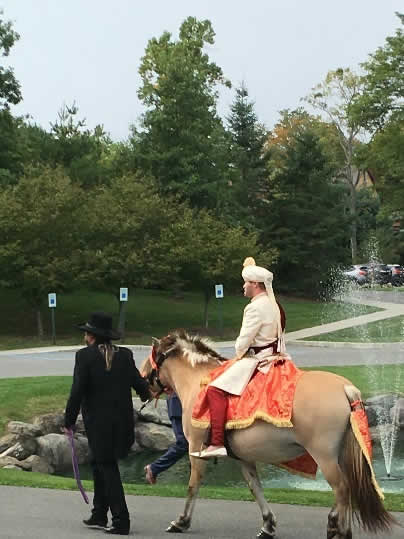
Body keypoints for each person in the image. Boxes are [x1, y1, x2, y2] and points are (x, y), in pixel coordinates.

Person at [64, 312, 151, 535]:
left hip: (99, 424)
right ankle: (99, 514)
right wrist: (145, 392)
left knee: (107, 467)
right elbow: (140, 385)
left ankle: (121, 520)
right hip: (122, 423)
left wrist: (69, 421)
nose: (84, 336)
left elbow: (77, 391)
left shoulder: (84, 357)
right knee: (98, 463)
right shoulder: (125, 355)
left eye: (86, 332)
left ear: (91, 335)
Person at [190, 257, 285, 459]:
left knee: (215, 390)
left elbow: (242, 344)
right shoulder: (275, 305)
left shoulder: (254, 307)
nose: (243, 287)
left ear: (255, 285)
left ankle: (216, 443)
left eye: (246, 283)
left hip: (259, 360)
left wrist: (239, 354)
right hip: (280, 358)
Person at [144, 392, 189, 484]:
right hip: (177, 403)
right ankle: (154, 468)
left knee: (190, 444)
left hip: (186, 402)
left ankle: (195, 480)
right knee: (183, 443)